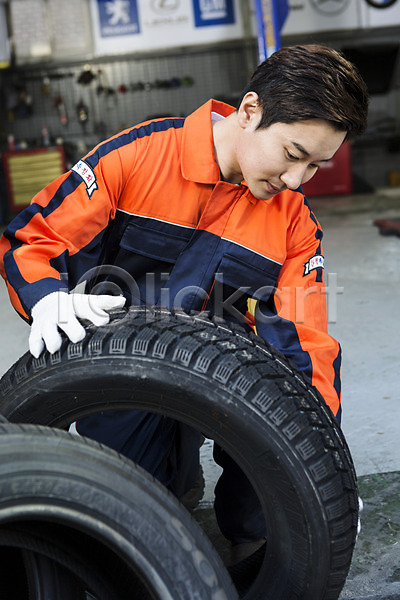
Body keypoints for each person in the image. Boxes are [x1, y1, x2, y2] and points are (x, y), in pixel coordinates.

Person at [0, 44, 368, 564]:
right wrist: (46, 297)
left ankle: (251, 532)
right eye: (291, 155)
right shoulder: (139, 156)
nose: (295, 181)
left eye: (315, 165)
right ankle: (173, 475)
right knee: (122, 521)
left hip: (230, 378)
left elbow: (308, 345)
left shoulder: (294, 222)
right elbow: (34, 238)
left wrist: (324, 469)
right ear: (250, 111)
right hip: (125, 363)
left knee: (285, 403)